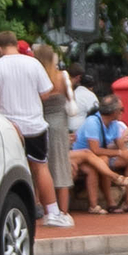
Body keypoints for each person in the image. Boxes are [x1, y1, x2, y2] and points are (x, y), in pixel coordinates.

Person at [0, 30, 69, 227]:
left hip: (10, 128)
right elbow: (45, 92)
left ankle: (15, 211)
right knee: (41, 167)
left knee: (10, 170)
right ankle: (53, 212)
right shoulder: (33, 64)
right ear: (15, 43)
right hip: (35, 124)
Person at [71, 95, 128, 212]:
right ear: (114, 111)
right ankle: (110, 202)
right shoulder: (93, 122)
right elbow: (95, 150)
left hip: (102, 155)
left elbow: (121, 145)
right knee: (104, 160)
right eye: (121, 110)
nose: (122, 112)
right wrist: (120, 153)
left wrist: (126, 153)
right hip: (86, 158)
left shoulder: (114, 123)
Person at [37, 43, 76, 215]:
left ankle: (46, 210)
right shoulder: (61, 76)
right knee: (61, 166)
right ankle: (64, 211)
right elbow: (71, 99)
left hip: (41, 123)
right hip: (59, 125)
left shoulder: (38, 77)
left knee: (41, 166)